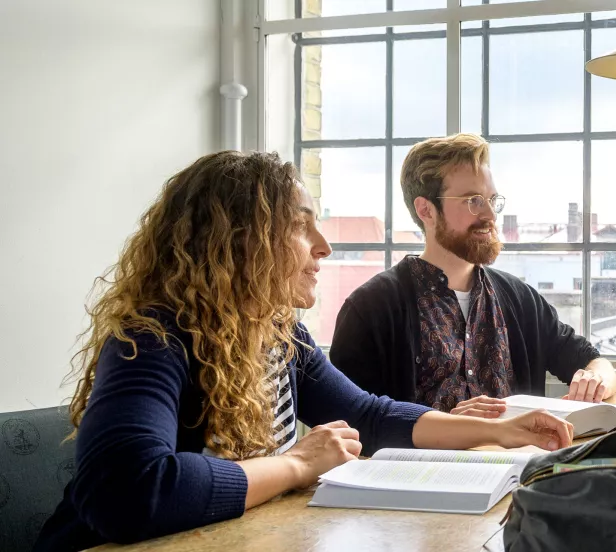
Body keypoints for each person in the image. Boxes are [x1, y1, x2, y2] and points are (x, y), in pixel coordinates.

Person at [34, 152, 573, 551]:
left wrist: (500, 432)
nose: (323, 245)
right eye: (299, 225)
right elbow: (127, 493)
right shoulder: (152, 338)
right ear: (236, 239)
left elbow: (368, 414)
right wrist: (294, 464)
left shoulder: (280, 334)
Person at [329, 133, 616, 418]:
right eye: (473, 201)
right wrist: (447, 427)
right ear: (426, 210)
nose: (490, 215)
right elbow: (350, 422)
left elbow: (593, 361)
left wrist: (595, 380)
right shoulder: (369, 310)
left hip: (522, 464)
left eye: (492, 200)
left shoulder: (519, 298)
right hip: (415, 466)